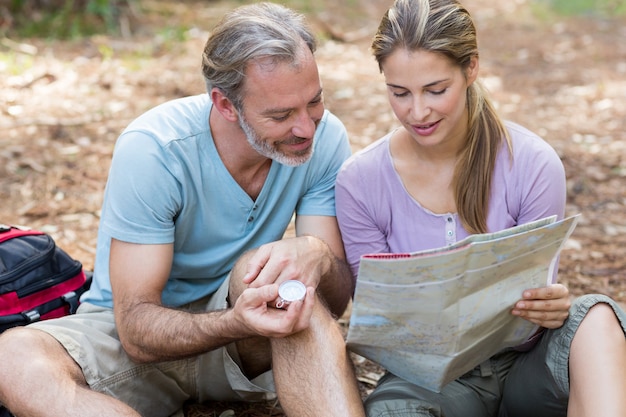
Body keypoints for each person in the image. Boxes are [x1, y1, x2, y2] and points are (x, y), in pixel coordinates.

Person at [0, 3, 366, 417]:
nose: (305, 127)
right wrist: (238, 322)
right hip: (132, 344)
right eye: (280, 115)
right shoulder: (155, 149)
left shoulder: (324, 137)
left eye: (314, 102)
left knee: (282, 279)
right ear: (225, 106)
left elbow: (333, 302)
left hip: (243, 342)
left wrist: (316, 256)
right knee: (14, 355)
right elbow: (136, 331)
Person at [335, 0, 626, 416]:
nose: (417, 112)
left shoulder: (532, 163)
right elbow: (383, 323)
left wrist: (546, 305)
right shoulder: (360, 180)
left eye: (436, 90)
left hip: (529, 369)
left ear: (471, 68)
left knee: (596, 318)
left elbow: (531, 315)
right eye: (399, 93)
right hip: (428, 383)